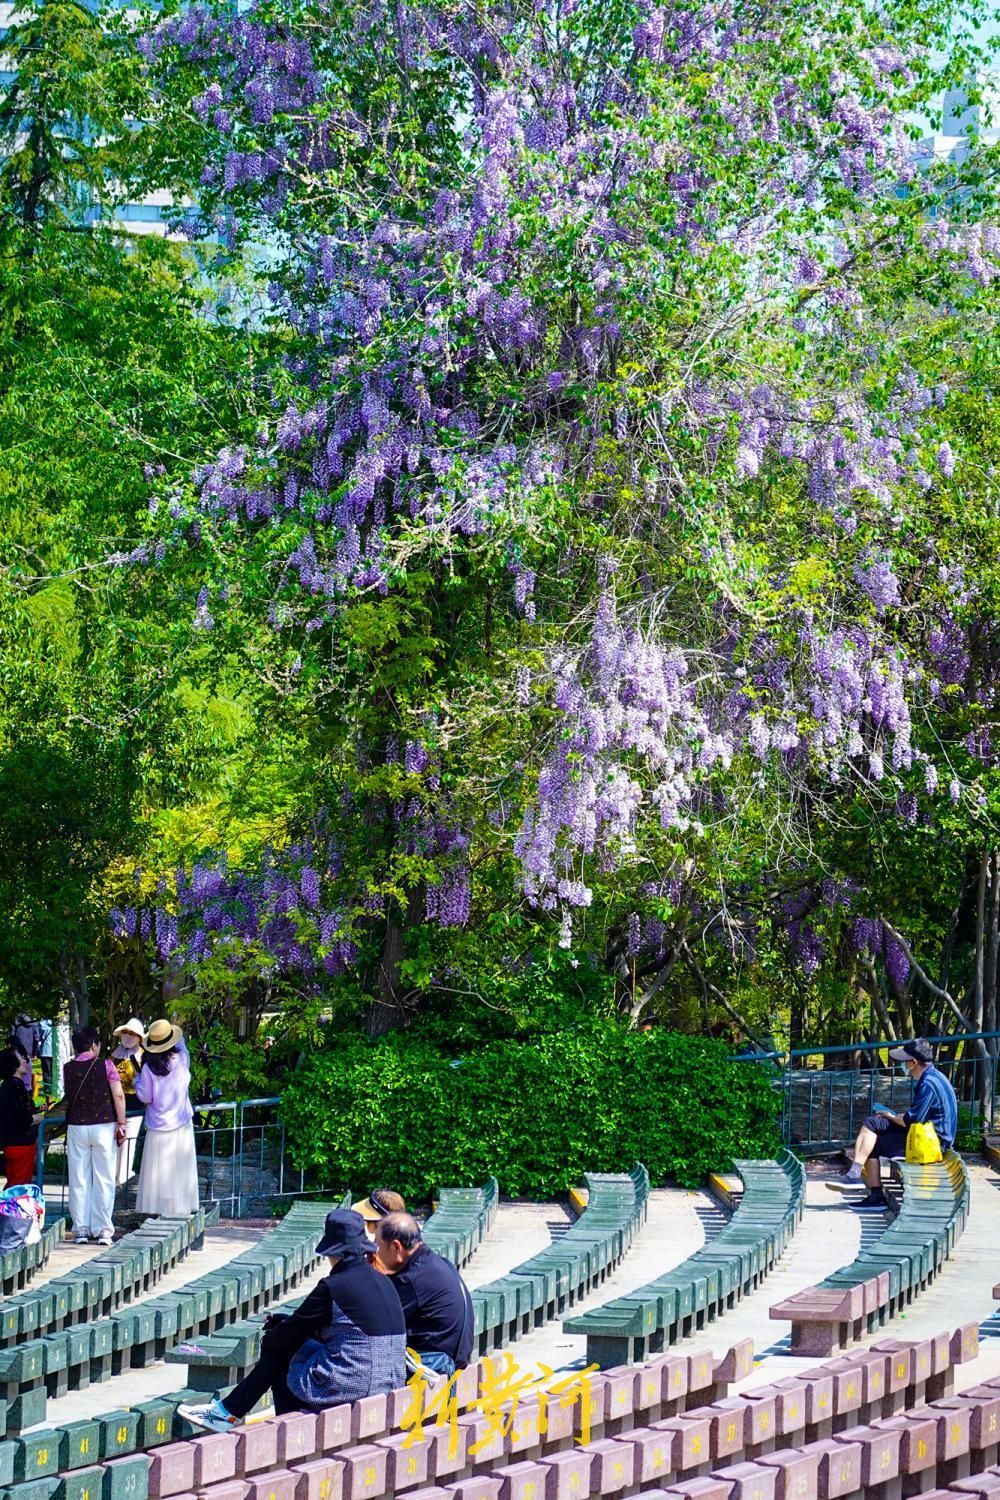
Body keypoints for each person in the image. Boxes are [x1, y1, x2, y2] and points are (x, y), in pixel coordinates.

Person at [178, 1209, 406, 1433]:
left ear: (332, 1253)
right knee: (292, 1344)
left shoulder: (334, 1286)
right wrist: (286, 1324)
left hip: (353, 1385)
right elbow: (344, 1330)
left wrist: (273, 1335)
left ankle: (263, 1425)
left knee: (282, 1352)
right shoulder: (384, 1282)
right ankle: (229, 1411)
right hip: (388, 1384)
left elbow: (285, 1338)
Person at [836, 1038, 959, 1209]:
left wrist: (891, 1116)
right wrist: (892, 1116)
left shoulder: (928, 1084)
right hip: (929, 1137)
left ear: (914, 1062)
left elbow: (911, 1121)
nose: (901, 1064)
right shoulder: (935, 1077)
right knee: (872, 1125)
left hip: (932, 1144)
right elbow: (917, 1117)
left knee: (873, 1137)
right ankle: (858, 1176)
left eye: (904, 1061)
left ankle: (865, 1185)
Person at [375, 1212, 475, 1376]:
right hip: (452, 1367)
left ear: (396, 1247)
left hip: (433, 1373)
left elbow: (375, 1325)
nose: (376, 1254)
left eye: (378, 1245)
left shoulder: (410, 1281)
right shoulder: (438, 1263)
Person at [63, 1026, 128, 1245]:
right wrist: (122, 1122)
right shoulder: (106, 1065)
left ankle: (80, 1228)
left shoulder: (67, 1068)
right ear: (93, 1045)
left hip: (77, 1127)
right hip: (103, 1125)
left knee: (79, 1178)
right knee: (104, 1178)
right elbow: (118, 1094)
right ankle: (103, 1230)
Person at [133, 1019, 199, 1216]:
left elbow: (146, 1097)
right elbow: (182, 1046)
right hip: (181, 1124)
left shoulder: (148, 1069)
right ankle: (179, 1211)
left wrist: (137, 1081)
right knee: (180, 1172)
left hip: (158, 1126)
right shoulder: (182, 1060)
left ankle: (160, 1212)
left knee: (159, 1175)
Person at [0, 1048, 44, 1185]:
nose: (26, 1061)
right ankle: (13, 1206)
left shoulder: (6, 1085)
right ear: (14, 1065)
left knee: (13, 1182)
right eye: (21, 1058)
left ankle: (7, 1205)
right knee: (19, 1185)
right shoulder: (16, 1086)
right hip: (21, 1143)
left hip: (9, 1143)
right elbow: (21, 1116)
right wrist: (37, 1118)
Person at [110, 1018, 145, 1186]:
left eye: (132, 1033)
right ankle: (111, 1183)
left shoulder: (144, 1057)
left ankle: (122, 1183)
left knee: (127, 1148)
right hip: (112, 1108)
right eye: (126, 1032)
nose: (128, 1036)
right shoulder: (112, 1056)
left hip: (135, 1108)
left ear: (139, 1037)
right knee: (112, 1148)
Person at [38, 1020, 54, 1100]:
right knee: (54, 1072)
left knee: (47, 1073)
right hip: (55, 1052)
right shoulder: (55, 1024)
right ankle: (55, 1090)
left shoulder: (42, 1024)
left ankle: (48, 1091)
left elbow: (39, 1037)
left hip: (45, 1052)